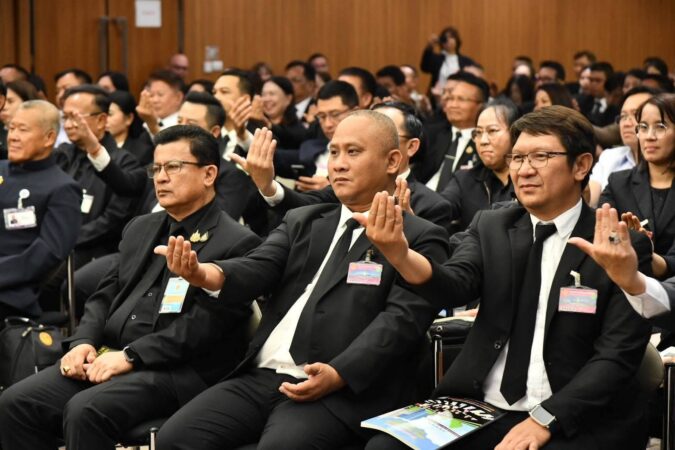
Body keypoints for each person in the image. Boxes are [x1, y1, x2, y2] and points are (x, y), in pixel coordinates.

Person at [155, 111, 450, 449]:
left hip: (344, 388)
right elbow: (257, 267)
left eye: (353, 152)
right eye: (334, 152)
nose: (338, 164)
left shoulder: (419, 237)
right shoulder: (305, 220)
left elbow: (400, 323)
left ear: (393, 161)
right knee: (174, 439)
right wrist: (202, 273)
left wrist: (339, 373)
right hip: (263, 376)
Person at [363, 105, 652, 450]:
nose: (524, 170)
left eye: (541, 157)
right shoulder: (493, 225)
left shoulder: (619, 246)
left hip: (572, 415)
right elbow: (453, 284)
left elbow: (617, 355)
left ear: (581, 165)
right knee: (384, 447)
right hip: (479, 406)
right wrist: (400, 253)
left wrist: (546, 418)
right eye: (517, 158)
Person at [0, 125, 262, 450]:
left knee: (85, 411)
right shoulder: (141, 227)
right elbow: (104, 296)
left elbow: (204, 327)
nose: (161, 178)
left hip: (177, 370)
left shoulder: (237, 242)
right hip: (110, 354)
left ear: (209, 174)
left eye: (173, 167)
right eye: (156, 168)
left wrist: (131, 356)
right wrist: (82, 342)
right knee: (15, 403)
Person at [239, 101, 454, 233]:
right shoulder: (343, 189)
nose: (341, 164)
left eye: (387, 134)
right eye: (335, 152)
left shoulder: (432, 207)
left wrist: (409, 231)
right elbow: (302, 205)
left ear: (410, 148)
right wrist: (267, 186)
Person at [0, 100, 81, 321]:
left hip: (13, 292)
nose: (13, 136)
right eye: (11, 128)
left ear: (49, 138)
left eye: (23, 130)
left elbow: (48, 253)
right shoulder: (1, 170)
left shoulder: (62, 188)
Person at [54, 85, 143, 267]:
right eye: (65, 117)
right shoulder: (61, 155)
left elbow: (113, 220)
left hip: (94, 251)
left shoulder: (124, 162)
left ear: (101, 120)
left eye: (75, 118)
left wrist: (69, 238)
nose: (68, 125)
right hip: (55, 243)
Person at [600, 94, 675, 279]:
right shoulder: (618, 183)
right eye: (643, 127)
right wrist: (625, 241)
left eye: (660, 127)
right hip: (622, 286)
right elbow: (603, 235)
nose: (649, 136)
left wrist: (642, 249)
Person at [439, 98, 517, 234]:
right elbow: (440, 207)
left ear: (515, 133)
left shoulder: (528, 179)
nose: (483, 141)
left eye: (492, 131)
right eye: (478, 133)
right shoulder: (464, 179)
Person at [271, 80, 359, 192]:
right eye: (322, 116)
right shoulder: (312, 149)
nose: (328, 124)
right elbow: (277, 158)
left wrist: (331, 189)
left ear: (355, 112)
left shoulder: (371, 153)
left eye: (335, 114)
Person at [414, 72, 488, 192]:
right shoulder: (430, 133)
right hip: (421, 195)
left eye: (461, 99)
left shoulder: (485, 141)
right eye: (450, 99)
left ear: (481, 106)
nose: (453, 105)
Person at [588, 87, 660, 207]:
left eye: (636, 114)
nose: (626, 123)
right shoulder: (610, 156)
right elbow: (590, 198)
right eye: (623, 116)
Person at [420, 26, 476, 103]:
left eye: (452, 37)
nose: (449, 40)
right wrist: (430, 46)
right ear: (442, 42)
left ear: (457, 40)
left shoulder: (465, 61)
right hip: (437, 98)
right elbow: (424, 67)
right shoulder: (437, 59)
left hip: (459, 97)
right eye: (445, 38)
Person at [107, 90, 154, 165]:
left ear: (129, 118)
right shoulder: (96, 147)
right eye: (102, 114)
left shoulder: (142, 152)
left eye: (110, 114)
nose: (105, 119)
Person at [259, 76, 307, 149]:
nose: (266, 99)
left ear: (288, 99)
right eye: (263, 95)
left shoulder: (299, 130)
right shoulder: (256, 125)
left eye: (272, 94)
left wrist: (270, 126)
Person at [136, 70, 185, 137]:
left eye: (160, 94)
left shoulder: (184, 125)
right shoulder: (146, 123)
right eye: (151, 95)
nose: (155, 100)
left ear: (178, 97)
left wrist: (152, 125)